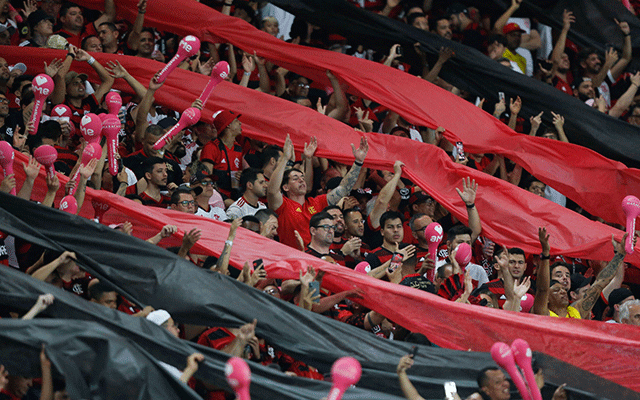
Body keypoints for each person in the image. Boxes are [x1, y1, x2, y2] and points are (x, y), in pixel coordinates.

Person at [267, 134, 368, 249]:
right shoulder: (282, 205)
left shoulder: (316, 202)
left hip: (318, 258)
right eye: (295, 178)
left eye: (302, 177)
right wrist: (285, 158)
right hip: (294, 260)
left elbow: (343, 188)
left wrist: (358, 162)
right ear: (285, 187)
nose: (301, 180)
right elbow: (272, 190)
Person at [534, 228, 629, 319]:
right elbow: (542, 289)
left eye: (563, 289)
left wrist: (619, 255)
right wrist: (546, 254)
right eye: (556, 290)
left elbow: (600, 283)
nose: (562, 291)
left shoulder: (576, 312)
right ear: (547, 299)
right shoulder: (543, 313)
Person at [145, 310, 205, 383]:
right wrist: (190, 369)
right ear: (162, 331)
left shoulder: (167, 353)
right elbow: (174, 389)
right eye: (173, 326)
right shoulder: (156, 358)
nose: (178, 330)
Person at [200, 110, 244, 198]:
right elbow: (205, 178)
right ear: (228, 125)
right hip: (217, 196)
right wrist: (223, 199)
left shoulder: (238, 148)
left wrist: (242, 175)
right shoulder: (212, 147)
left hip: (236, 194)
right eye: (236, 121)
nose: (240, 123)